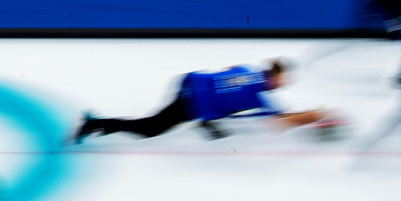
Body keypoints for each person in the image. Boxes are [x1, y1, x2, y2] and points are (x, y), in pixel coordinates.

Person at [73, 58, 334, 144]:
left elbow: (229, 70)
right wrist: (314, 116)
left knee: (153, 123)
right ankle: (94, 123)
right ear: (275, 78)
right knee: (150, 129)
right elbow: (282, 120)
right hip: (193, 101)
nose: (283, 85)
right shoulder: (259, 95)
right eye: (283, 80)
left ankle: (97, 124)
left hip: (190, 81)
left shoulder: (248, 70)